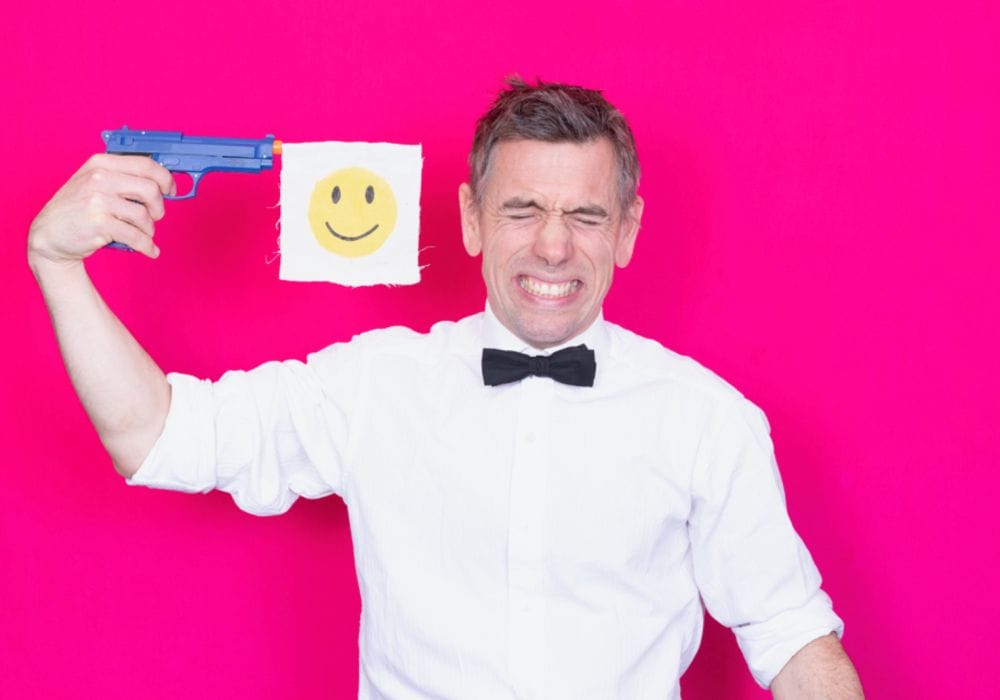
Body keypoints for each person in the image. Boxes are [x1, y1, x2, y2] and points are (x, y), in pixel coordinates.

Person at [28, 78, 863, 699]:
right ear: (469, 218)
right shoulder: (375, 382)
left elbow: (792, 640)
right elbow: (158, 436)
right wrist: (58, 266)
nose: (551, 247)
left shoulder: (707, 421)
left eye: (585, 216)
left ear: (629, 230)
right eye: (521, 209)